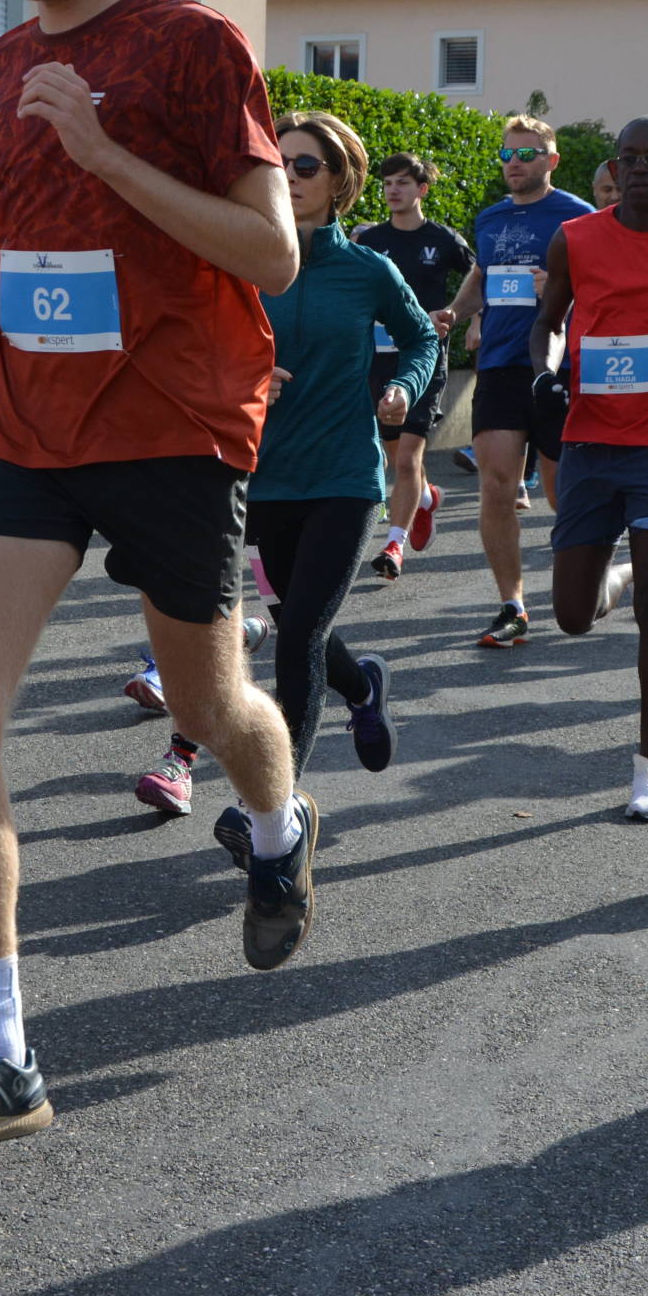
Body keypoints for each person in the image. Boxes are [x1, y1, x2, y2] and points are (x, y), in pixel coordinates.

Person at [0, 0, 309, 1156]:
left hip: (175, 423)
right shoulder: (9, 62)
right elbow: (45, 233)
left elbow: (270, 255)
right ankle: (2, 1049)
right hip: (28, 422)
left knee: (207, 702)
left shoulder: (194, 46)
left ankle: (276, 822)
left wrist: (105, 149)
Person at [137, 113, 439, 819]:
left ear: (339, 181)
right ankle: (362, 687)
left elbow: (422, 337)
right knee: (303, 626)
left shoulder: (368, 269)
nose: (290, 178)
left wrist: (403, 387)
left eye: (306, 166)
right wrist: (238, 376)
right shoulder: (237, 263)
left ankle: (272, 808)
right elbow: (187, 346)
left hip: (343, 477)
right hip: (258, 478)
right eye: (280, 164)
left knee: (298, 634)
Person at [531, 116, 648, 823]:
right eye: (629, 158)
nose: (640, 168)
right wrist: (545, 374)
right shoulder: (575, 238)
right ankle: (619, 573)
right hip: (588, 442)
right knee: (572, 616)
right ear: (613, 169)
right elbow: (548, 323)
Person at [439, 115, 592, 646]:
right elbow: (482, 277)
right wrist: (456, 313)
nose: (515, 164)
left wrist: (565, 289)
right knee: (497, 485)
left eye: (527, 154)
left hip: (556, 366)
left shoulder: (579, 217)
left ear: (552, 160)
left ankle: (578, 582)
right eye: (508, 154)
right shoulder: (490, 218)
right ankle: (513, 605)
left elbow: (607, 290)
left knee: (560, 492)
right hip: (501, 365)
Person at [351, 152, 470, 581]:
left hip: (423, 360)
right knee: (397, 455)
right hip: (378, 360)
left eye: (402, 183)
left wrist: (458, 314)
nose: (393, 190)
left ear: (422, 189)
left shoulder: (443, 239)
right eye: (387, 184)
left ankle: (393, 545)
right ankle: (426, 496)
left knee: (406, 460)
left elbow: (480, 276)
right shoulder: (369, 240)